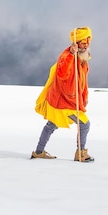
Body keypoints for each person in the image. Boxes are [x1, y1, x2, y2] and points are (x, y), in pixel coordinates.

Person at [31, 27, 94, 163]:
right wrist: (71, 55)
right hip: (64, 102)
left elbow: (83, 82)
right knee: (84, 124)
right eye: (83, 42)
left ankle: (38, 152)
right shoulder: (67, 56)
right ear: (76, 44)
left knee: (51, 125)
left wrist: (84, 97)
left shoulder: (83, 58)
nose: (86, 45)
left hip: (66, 100)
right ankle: (81, 153)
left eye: (87, 42)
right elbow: (62, 74)